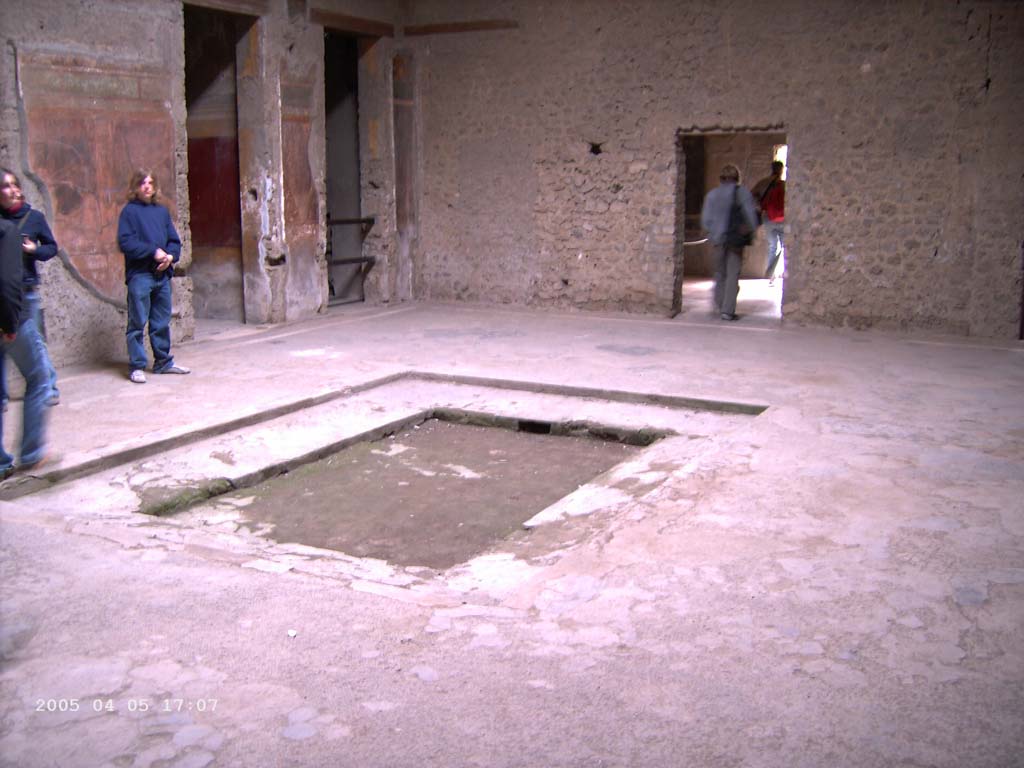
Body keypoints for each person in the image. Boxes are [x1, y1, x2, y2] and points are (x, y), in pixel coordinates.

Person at [117, 169, 190, 383]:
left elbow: (174, 241)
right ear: (135, 188)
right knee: (137, 322)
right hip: (140, 275)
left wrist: (169, 256)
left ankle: (163, 362)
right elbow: (126, 243)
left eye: (150, 183)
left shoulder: (161, 211)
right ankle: (137, 365)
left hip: (162, 276)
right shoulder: (129, 212)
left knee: (161, 321)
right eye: (142, 183)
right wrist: (153, 252)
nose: (147, 186)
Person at [0, 169, 60, 410]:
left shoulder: (33, 218)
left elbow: (51, 248)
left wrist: (34, 250)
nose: (13, 190)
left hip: (27, 291)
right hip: (2, 292)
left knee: (36, 342)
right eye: (6, 186)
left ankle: (49, 387)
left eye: (15, 185)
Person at [0, 217, 50, 478]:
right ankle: (31, 454)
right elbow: (8, 280)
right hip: (10, 322)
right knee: (39, 378)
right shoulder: (7, 231)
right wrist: (9, 324)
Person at [700, 164, 759, 321]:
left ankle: (719, 305)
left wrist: (713, 232)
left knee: (720, 273)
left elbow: (705, 221)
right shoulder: (743, 194)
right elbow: (751, 218)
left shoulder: (712, 195)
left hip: (717, 240)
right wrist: (749, 231)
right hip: (735, 241)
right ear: (737, 178)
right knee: (732, 274)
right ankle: (727, 310)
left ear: (721, 179)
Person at [751, 160, 786, 285]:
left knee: (773, 246)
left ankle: (770, 276)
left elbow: (751, 196)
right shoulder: (784, 184)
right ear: (781, 170)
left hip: (768, 217)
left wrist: (759, 208)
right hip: (784, 219)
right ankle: (784, 274)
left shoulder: (763, 183)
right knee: (785, 247)